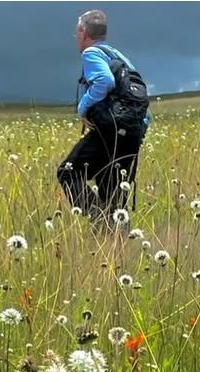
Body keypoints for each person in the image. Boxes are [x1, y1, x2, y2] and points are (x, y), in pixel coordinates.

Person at [57, 9, 149, 223]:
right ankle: (118, 245)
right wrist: (137, 131)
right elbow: (139, 98)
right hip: (131, 135)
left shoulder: (92, 53)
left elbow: (104, 82)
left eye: (76, 33)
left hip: (109, 132)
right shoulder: (119, 56)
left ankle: (99, 222)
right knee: (114, 196)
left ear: (82, 32)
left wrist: (83, 108)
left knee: (68, 172)